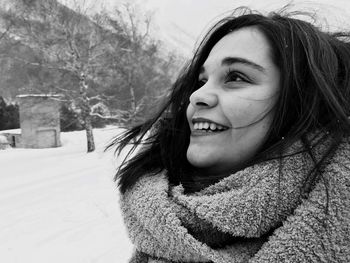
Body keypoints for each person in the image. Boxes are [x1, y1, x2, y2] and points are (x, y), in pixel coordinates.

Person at [108, 7, 350, 263]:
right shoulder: (160, 234)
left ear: (305, 105)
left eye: (236, 77)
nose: (196, 96)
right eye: (201, 81)